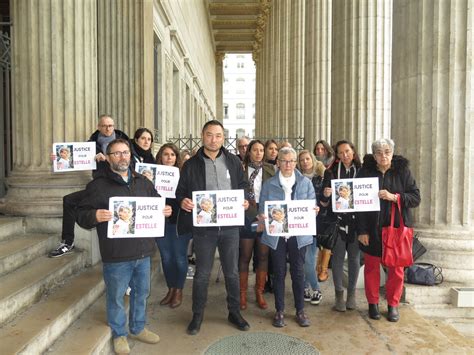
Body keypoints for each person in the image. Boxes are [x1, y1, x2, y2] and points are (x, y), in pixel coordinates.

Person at [76, 138, 172, 354]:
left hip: (143, 251)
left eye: (125, 153)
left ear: (131, 155)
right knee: (116, 296)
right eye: (116, 153)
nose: (122, 157)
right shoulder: (97, 186)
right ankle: (119, 334)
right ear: (109, 158)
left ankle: (137, 328)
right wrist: (94, 215)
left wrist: (165, 210)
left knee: (141, 292)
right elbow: (81, 214)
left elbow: (157, 202)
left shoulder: (143, 182)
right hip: (116, 254)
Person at [176, 120, 250, 335]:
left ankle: (234, 312)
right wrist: (183, 202)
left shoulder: (234, 162)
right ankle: (197, 315)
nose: (213, 139)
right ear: (202, 135)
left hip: (229, 227)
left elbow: (243, 185)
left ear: (223, 138)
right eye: (209, 135)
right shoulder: (191, 165)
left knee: (232, 273)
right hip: (204, 229)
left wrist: (244, 199)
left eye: (218, 135)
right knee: (201, 274)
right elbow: (181, 192)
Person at [356, 138, 420, 322]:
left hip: (396, 230)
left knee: (396, 270)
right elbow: (358, 205)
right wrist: (362, 231)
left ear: (392, 153)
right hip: (371, 229)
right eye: (378, 152)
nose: (383, 156)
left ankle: (393, 305)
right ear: (373, 155)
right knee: (371, 268)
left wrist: (394, 197)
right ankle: (373, 303)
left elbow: (415, 198)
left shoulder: (403, 171)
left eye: (387, 152)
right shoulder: (365, 172)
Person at [48, 114, 129, 258]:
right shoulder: (90, 144)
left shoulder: (125, 142)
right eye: (104, 125)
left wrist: (108, 160)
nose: (107, 128)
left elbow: (131, 165)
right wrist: (57, 159)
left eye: (110, 125)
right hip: (99, 186)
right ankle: (67, 242)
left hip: (119, 186)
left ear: (114, 126)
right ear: (98, 127)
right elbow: (74, 159)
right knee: (69, 200)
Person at [258, 147, 316, 328]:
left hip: (298, 235)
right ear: (278, 163)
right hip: (277, 235)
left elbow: (311, 204)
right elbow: (262, 207)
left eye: (291, 161)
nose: (288, 164)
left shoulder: (305, 183)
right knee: (279, 272)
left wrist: (314, 211)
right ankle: (280, 310)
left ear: (295, 163)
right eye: (284, 161)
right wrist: (263, 216)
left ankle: (300, 310)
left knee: (298, 272)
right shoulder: (269, 184)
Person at [320, 140, 361, 312]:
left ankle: (351, 295)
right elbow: (322, 202)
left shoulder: (362, 171)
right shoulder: (330, 173)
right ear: (336, 155)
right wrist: (326, 194)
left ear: (353, 151)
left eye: (347, 151)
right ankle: (338, 296)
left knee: (354, 259)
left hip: (356, 223)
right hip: (337, 223)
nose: (345, 155)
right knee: (336, 259)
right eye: (341, 152)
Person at [239, 139, 275, 310]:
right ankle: (242, 293)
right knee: (244, 256)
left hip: (264, 217)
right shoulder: (240, 169)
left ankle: (259, 292)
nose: (259, 153)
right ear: (249, 152)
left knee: (262, 256)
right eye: (255, 150)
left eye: (261, 150)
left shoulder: (270, 169)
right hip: (246, 217)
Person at [155, 143, 191, 309]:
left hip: (179, 223)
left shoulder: (184, 176)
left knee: (179, 258)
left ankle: (179, 290)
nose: (169, 157)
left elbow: (188, 199)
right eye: (165, 154)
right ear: (160, 157)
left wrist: (175, 207)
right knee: (166, 258)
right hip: (159, 223)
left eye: (172, 155)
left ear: (177, 158)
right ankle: (170, 289)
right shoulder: (151, 176)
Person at [297, 150, 324, 305]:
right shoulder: (296, 179)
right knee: (303, 259)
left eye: (307, 159)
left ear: (313, 160)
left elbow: (323, 201)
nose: (305, 162)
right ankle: (306, 287)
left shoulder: (321, 178)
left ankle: (316, 288)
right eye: (302, 160)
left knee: (308, 259)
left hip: (315, 224)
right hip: (300, 223)